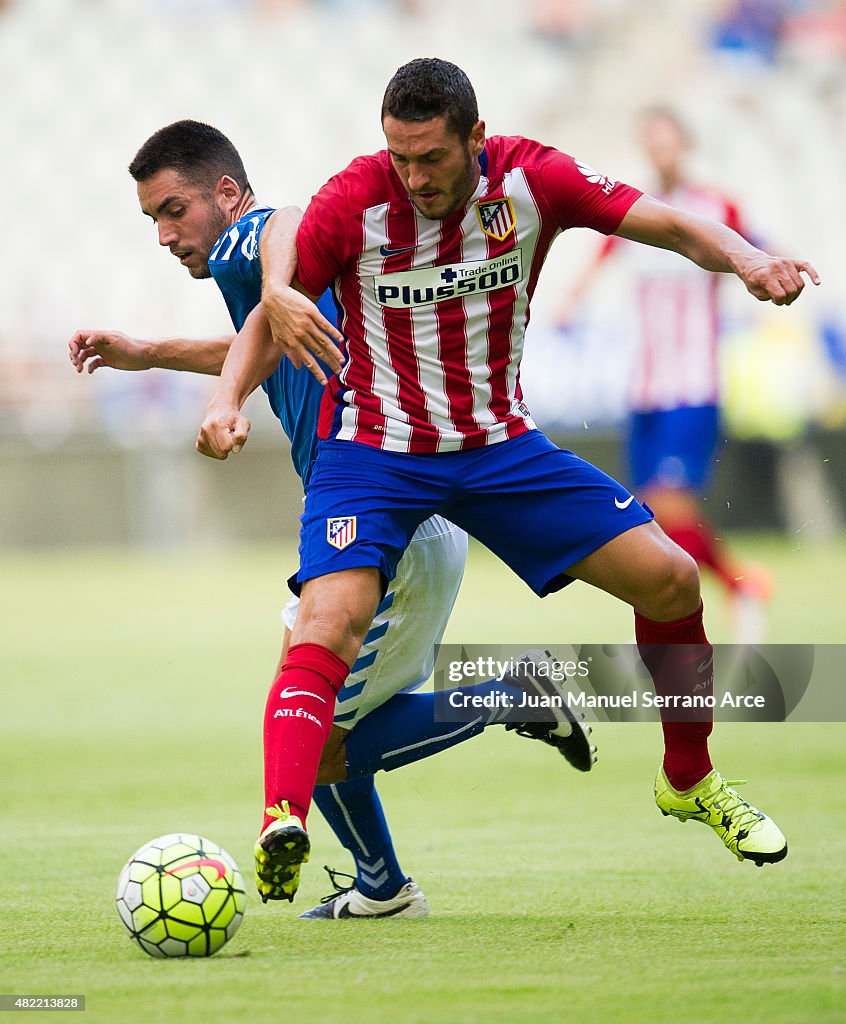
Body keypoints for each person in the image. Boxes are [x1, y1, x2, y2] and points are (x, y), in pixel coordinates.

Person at [195, 59, 819, 903]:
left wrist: (746, 260)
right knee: (326, 620)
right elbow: (280, 305)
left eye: (433, 160)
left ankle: (690, 780)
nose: (414, 179)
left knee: (671, 580)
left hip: (499, 445)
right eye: (400, 158)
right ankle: (282, 818)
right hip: (375, 451)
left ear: (476, 141)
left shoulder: (534, 179)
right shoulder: (357, 199)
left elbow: (664, 223)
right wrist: (229, 398)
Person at [69, 120, 595, 918]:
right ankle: (381, 885)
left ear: (225, 193)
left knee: (313, 740)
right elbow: (262, 341)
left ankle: (508, 696)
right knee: (310, 712)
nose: (165, 234)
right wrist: (149, 352)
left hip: (390, 519)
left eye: (173, 210)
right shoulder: (262, 281)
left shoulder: (258, 238)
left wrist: (230, 369)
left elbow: (282, 223)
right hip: (377, 511)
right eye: (151, 220)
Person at [558, 106, 773, 642]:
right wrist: (568, 303)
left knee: (672, 508)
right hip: (645, 386)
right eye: (650, 141)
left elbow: (751, 250)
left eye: (667, 140)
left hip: (693, 383)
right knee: (654, 518)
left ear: (685, 144)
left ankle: (740, 584)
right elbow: (597, 259)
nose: (660, 150)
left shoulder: (714, 206)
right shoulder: (639, 212)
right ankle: (686, 617)